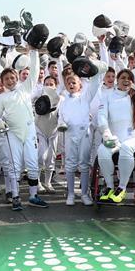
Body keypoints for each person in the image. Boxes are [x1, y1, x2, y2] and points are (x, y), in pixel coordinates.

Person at [0, 45, 46, 210]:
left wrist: (34, 52)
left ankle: (33, 196)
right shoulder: (2, 98)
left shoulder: (25, 89)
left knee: (32, 164)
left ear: (17, 77)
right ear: (2, 82)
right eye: (6, 79)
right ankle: (15, 196)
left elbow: (34, 71)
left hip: (29, 132)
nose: (10, 81)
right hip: (13, 133)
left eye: (12, 78)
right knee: (14, 166)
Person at [96, 68, 135, 203]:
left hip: (134, 139)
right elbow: (101, 116)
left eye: (129, 78)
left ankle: (122, 188)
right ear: (117, 80)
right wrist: (106, 133)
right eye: (123, 78)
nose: (126, 80)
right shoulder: (107, 96)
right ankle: (109, 187)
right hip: (115, 138)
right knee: (102, 150)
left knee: (126, 147)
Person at [58, 66, 103, 205]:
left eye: (74, 83)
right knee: (70, 164)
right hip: (70, 134)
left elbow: (94, 85)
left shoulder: (85, 98)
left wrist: (95, 70)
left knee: (84, 164)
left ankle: (84, 194)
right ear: (65, 85)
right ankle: (70, 194)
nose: (71, 85)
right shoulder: (63, 101)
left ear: (80, 85)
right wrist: (61, 124)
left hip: (84, 134)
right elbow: (61, 117)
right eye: (69, 83)